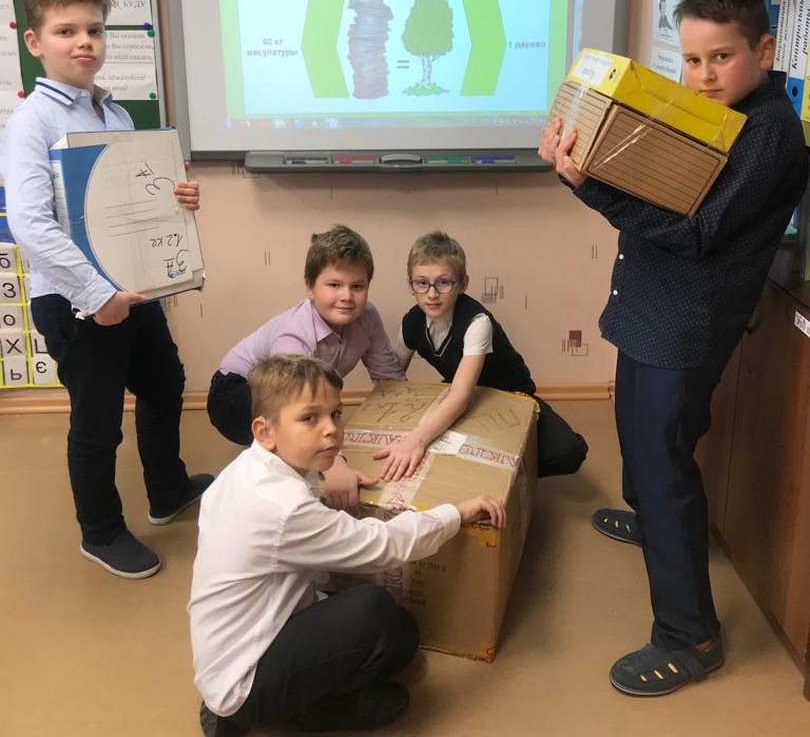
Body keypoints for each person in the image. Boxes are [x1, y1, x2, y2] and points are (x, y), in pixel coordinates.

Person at [539, 0, 809, 697]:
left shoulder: (769, 135)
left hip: (686, 324)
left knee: (664, 463)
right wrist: (583, 163)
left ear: (763, 50)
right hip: (651, 307)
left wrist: (587, 184)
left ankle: (690, 636)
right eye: (692, 59)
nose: (704, 74)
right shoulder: (712, 117)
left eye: (722, 57)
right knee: (638, 434)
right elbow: (662, 189)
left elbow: (695, 232)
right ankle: (653, 522)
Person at [1, 0, 212, 580]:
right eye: (65, 31)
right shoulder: (31, 123)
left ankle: (167, 489)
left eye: (93, 29)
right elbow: (30, 225)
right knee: (97, 422)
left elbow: (125, 202)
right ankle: (100, 532)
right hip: (77, 301)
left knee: (165, 383)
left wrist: (176, 198)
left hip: (131, 290)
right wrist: (98, 296)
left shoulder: (113, 114)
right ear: (35, 41)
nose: (84, 42)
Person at [190, 353, 505, 737]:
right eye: (310, 418)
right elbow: (382, 546)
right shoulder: (281, 506)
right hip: (245, 679)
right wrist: (455, 513)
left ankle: (294, 695)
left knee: (402, 633)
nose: (331, 430)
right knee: (373, 610)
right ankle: (303, 711)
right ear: (265, 431)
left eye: (336, 414)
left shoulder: (248, 469)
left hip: (257, 630)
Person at [207, 224, 406, 510]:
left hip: (289, 397)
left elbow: (389, 378)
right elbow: (292, 408)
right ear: (309, 287)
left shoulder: (368, 316)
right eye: (334, 285)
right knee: (295, 443)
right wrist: (335, 465)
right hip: (234, 392)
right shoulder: (294, 336)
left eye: (357, 286)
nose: (347, 296)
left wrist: (412, 424)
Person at [372, 229, 588, 482]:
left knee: (568, 451)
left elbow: (461, 395)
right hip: (461, 388)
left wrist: (415, 442)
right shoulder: (412, 322)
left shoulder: (477, 321)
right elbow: (393, 380)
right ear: (410, 285)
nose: (432, 294)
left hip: (507, 393)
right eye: (422, 283)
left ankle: (513, 474)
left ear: (463, 284)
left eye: (444, 282)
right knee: (443, 445)